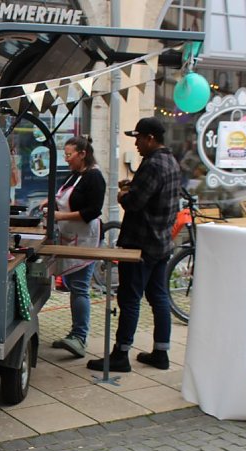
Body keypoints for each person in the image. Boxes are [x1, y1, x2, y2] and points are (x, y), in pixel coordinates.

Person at [87, 117, 180, 372]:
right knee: (159, 297)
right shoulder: (171, 161)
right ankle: (161, 352)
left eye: (138, 138)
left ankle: (121, 354)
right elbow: (156, 195)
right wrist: (133, 186)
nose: (136, 143)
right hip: (161, 242)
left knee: (129, 299)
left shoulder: (153, 164)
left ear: (150, 138)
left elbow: (134, 203)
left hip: (141, 244)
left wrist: (122, 195)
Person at [43, 136, 105, 358]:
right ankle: (74, 333)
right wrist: (50, 202)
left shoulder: (94, 177)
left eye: (69, 155)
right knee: (72, 284)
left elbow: (93, 211)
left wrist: (61, 216)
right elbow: (65, 198)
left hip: (86, 239)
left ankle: (80, 337)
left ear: (82, 154)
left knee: (79, 287)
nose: (66, 159)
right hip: (70, 237)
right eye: (65, 155)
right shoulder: (75, 175)